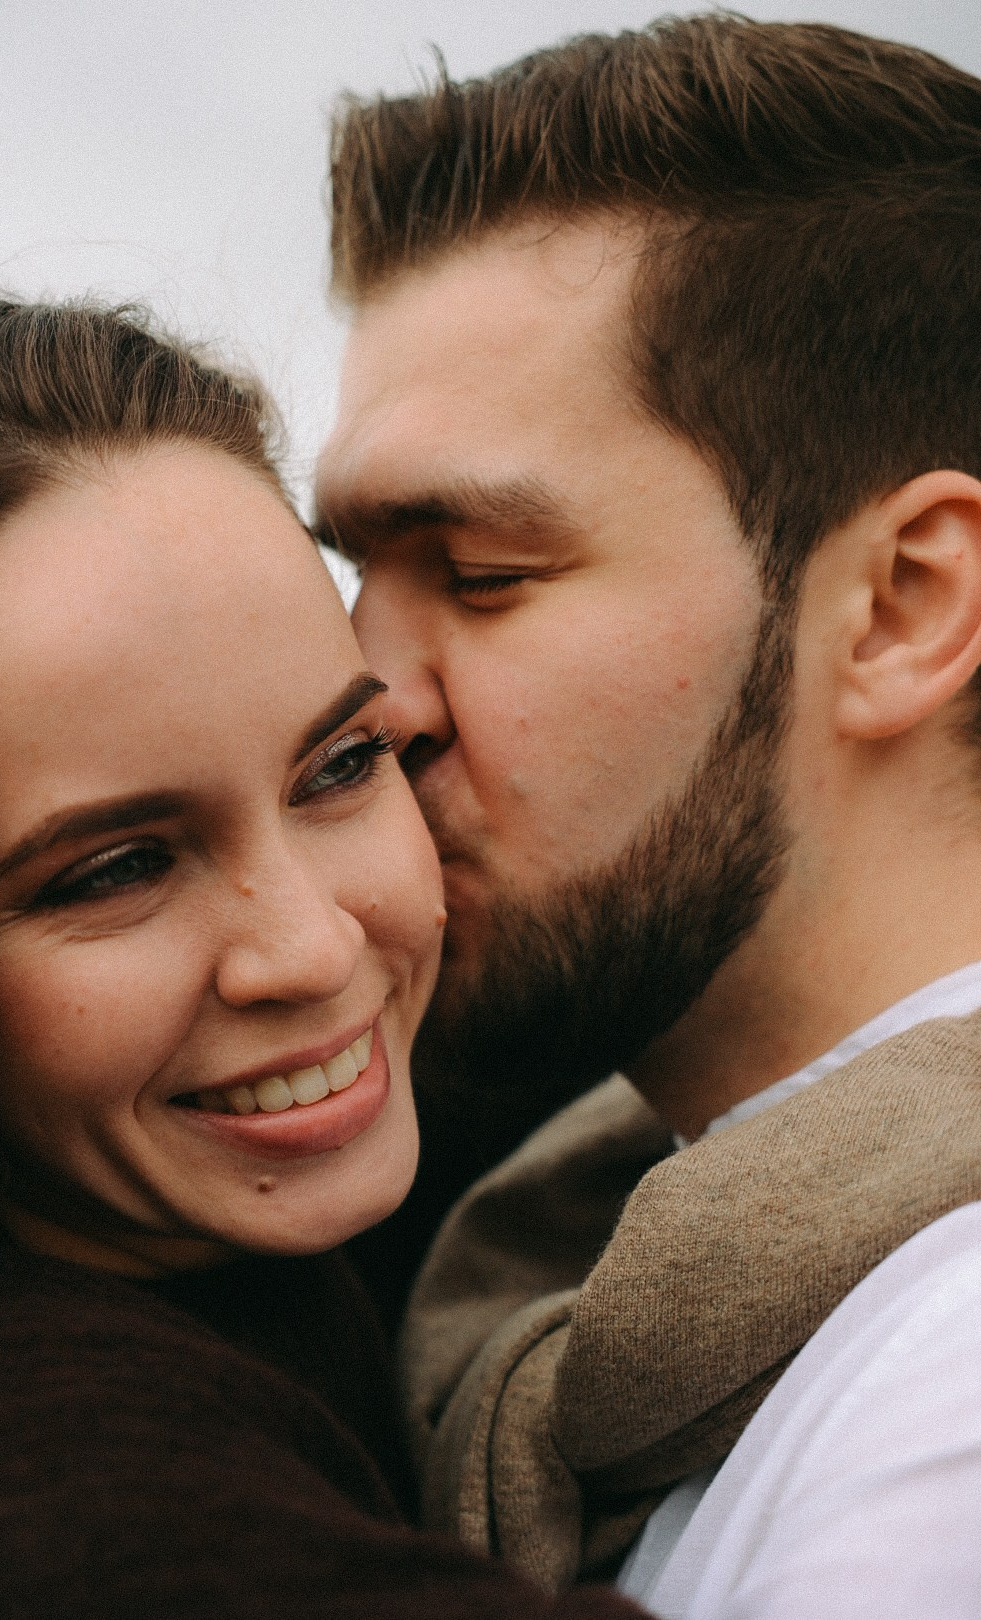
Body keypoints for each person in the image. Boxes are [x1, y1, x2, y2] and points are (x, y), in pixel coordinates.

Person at [315, 12, 981, 1616]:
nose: (363, 699)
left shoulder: (942, 1403)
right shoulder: (562, 1275)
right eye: (354, 577)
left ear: (901, 605)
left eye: (479, 574)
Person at [0, 287, 654, 1619]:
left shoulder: (253, 1197)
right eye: (116, 869)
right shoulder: (54, 1506)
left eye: (340, 766)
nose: (311, 947)